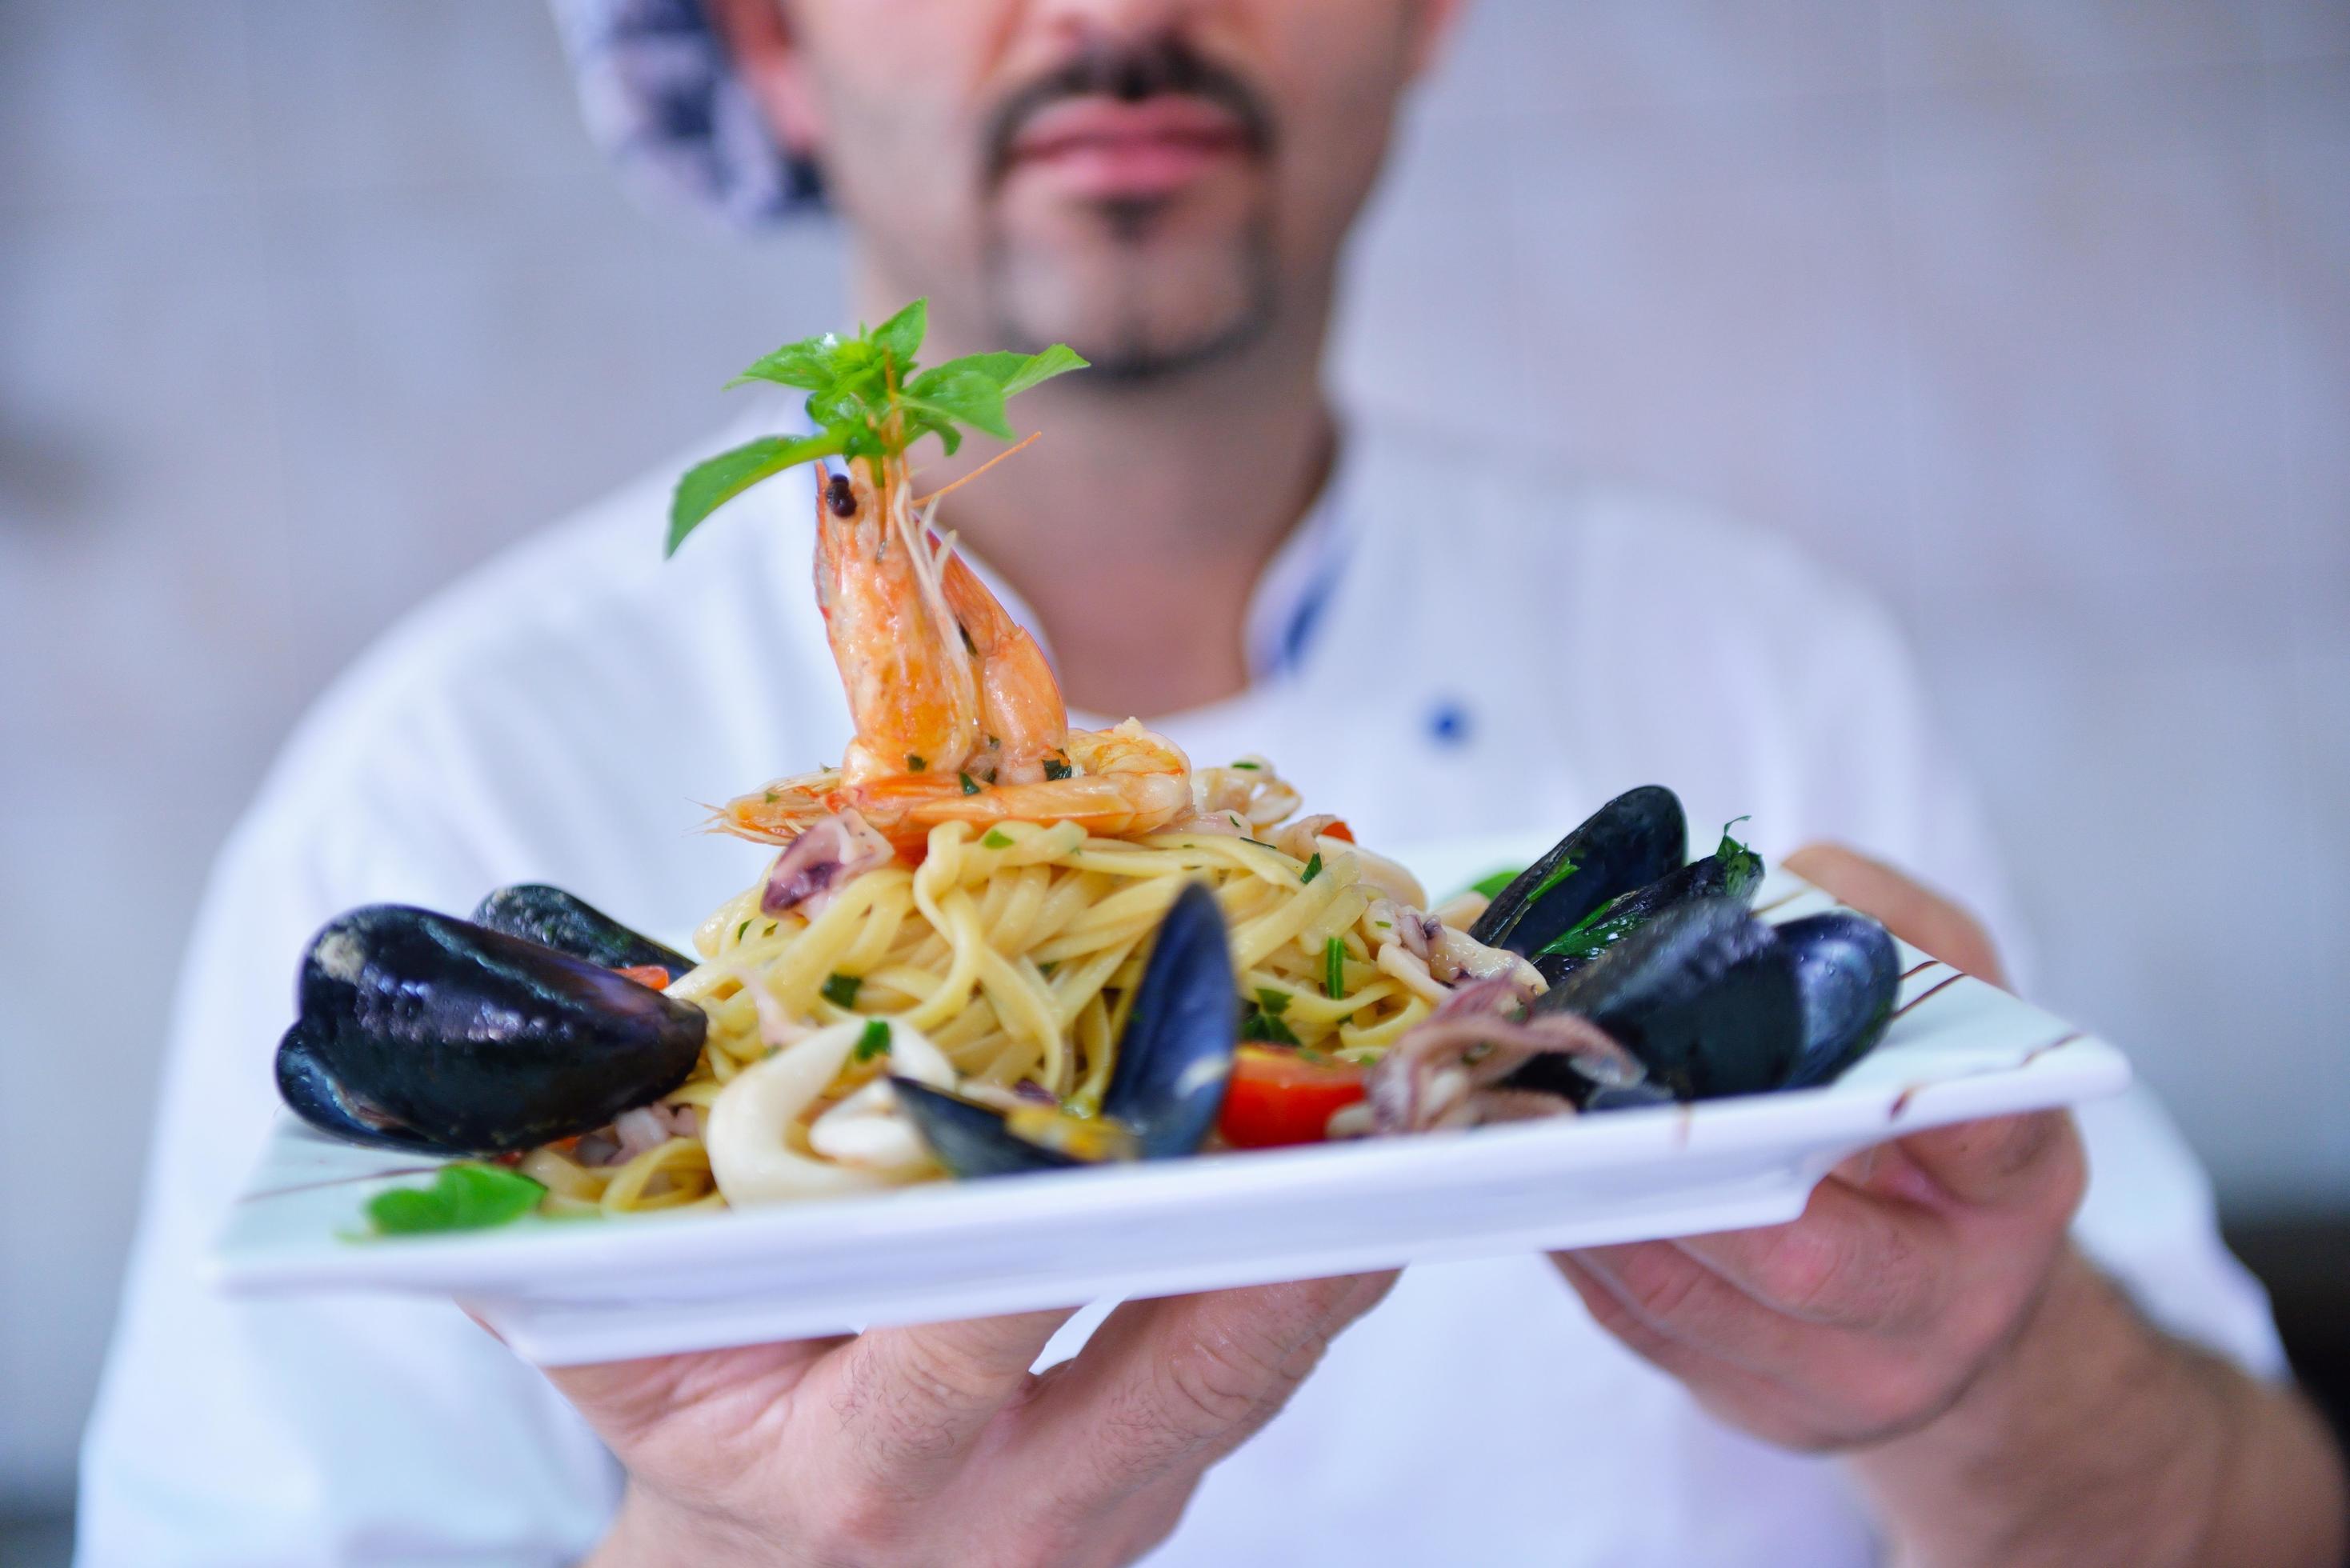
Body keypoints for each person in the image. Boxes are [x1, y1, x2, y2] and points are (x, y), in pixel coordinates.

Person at [79, 1, 2347, 1563]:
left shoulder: (1751, 661)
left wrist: (1979, 1385)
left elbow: (2260, 1524)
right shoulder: (435, 773)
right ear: (761, 40)